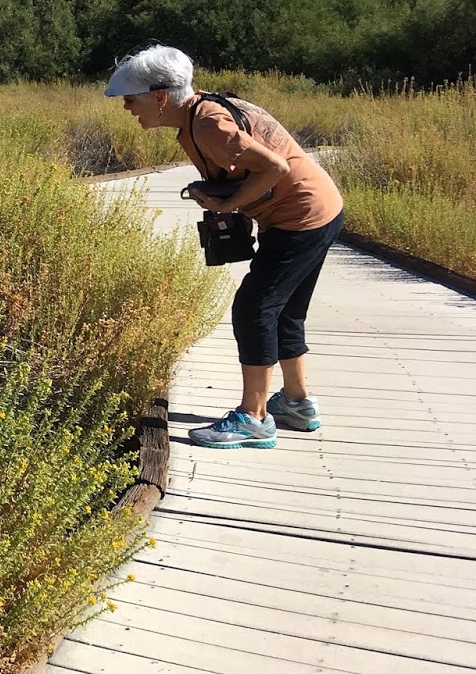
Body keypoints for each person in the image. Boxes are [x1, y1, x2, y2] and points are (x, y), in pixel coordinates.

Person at [104, 45, 345, 449]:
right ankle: (297, 403)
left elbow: (275, 168)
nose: (128, 108)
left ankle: (254, 418)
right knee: (284, 311)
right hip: (316, 210)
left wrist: (227, 203)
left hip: (299, 217)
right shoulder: (201, 115)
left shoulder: (209, 124)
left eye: (131, 99)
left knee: (254, 308)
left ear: (160, 97)